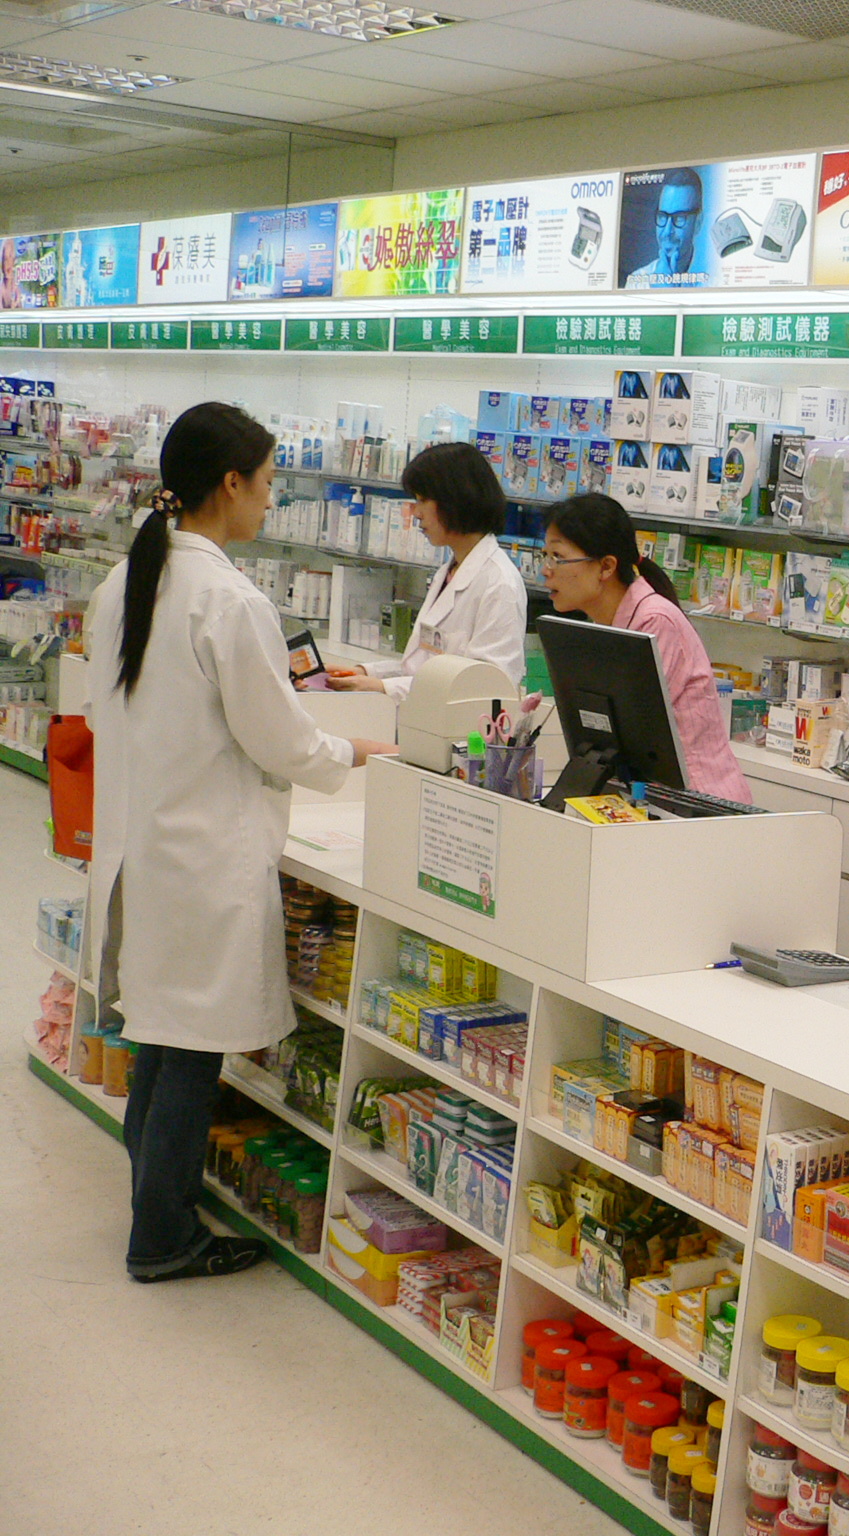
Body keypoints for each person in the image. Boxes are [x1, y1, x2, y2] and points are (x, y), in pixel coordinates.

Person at [85, 402, 395, 1282]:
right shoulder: (228, 599)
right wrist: (356, 752)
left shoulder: (127, 582)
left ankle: (153, 1205)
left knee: (161, 1039)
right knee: (189, 1053)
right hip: (202, 858)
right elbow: (278, 739)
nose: (269, 500)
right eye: (264, 484)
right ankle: (162, 1238)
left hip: (149, 845)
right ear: (229, 484)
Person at [540, 492, 750, 802]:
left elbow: (636, 733)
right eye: (544, 555)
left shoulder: (655, 622)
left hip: (699, 803)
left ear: (606, 567)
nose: (546, 569)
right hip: (650, 796)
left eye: (557, 557)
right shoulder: (605, 623)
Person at [329, 440, 527, 703]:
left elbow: (486, 686)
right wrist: (366, 673)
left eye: (422, 500)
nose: (416, 513)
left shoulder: (499, 584)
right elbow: (422, 667)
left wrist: (383, 687)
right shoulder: (450, 571)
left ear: (456, 499)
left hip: (461, 726)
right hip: (422, 716)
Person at [625, 166, 705, 288]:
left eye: (679, 218)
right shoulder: (636, 282)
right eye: (662, 216)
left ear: (698, 222)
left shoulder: (718, 280)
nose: (667, 232)